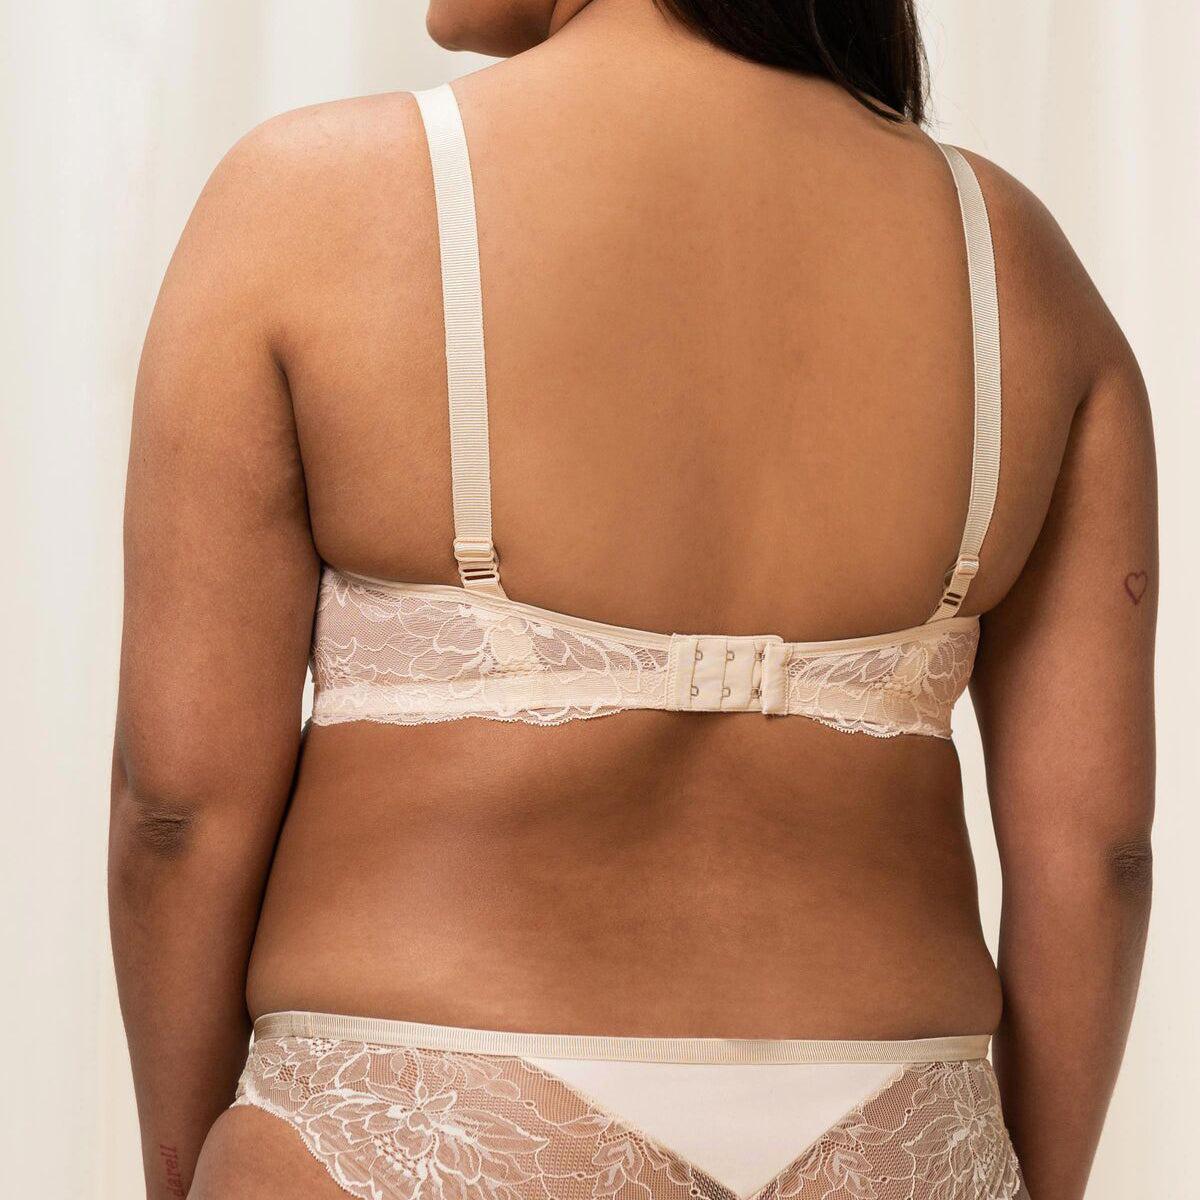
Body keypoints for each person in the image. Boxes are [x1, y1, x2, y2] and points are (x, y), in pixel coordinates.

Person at [109, 1, 1157, 1197]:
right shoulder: (1017, 261)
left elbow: (176, 807)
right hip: (899, 1127)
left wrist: (182, 1170)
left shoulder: (313, 199)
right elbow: (1099, 855)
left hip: (417, 1105)